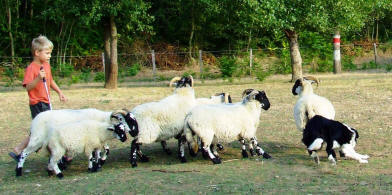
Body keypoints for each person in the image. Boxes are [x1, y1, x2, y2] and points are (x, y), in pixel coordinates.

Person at [9, 35, 67, 161]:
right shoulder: (31, 68)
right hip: (37, 103)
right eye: (47, 53)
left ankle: (19, 150)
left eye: (50, 53)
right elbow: (28, 87)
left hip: (47, 102)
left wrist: (59, 92)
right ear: (37, 52)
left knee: (44, 129)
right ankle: (58, 155)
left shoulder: (46, 65)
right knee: (42, 130)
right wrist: (38, 78)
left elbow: (50, 81)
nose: (49, 56)